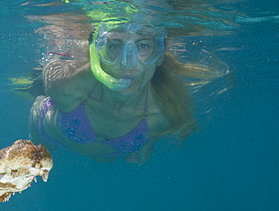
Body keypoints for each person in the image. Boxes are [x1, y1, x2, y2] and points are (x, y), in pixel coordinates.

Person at [29, 18, 222, 165]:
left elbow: (157, 132)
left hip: (103, 162)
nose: (127, 63)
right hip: (47, 139)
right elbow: (51, 75)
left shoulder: (165, 114)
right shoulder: (70, 88)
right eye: (115, 46)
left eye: (143, 46)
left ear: (160, 56)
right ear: (98, 52)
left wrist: (144, 147)